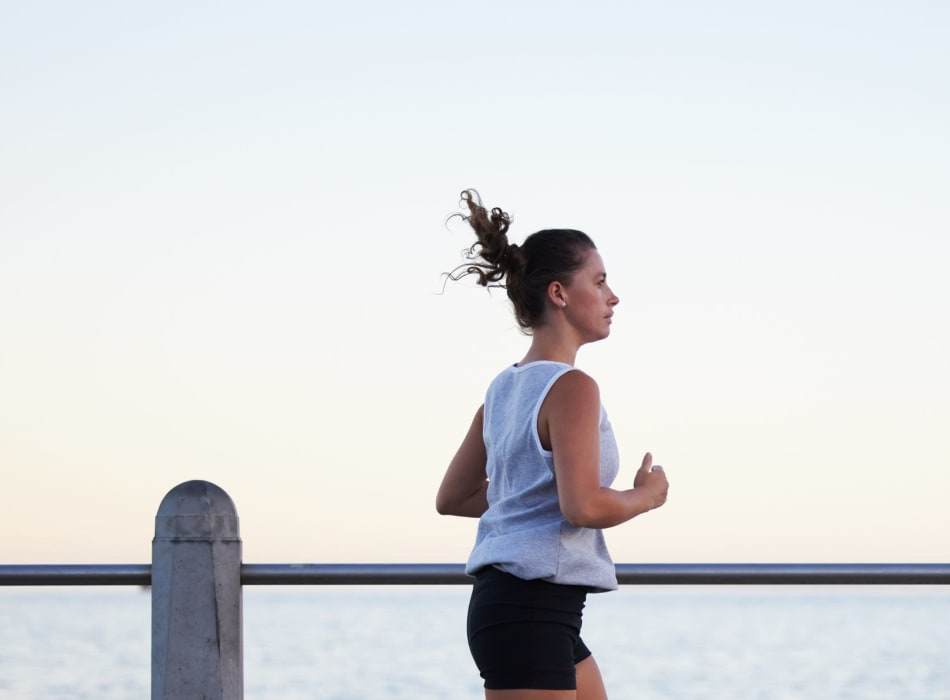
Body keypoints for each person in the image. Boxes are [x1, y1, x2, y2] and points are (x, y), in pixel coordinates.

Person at [436, 190, 670, 700]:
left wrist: (528, 494)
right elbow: (583, 505)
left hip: (531, 614)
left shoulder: (503, 389)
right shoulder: (573, 388)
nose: (614, 296)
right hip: (529, 614)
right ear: (560, 293)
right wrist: (648, 496)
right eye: (601, 281)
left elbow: (452, 498)